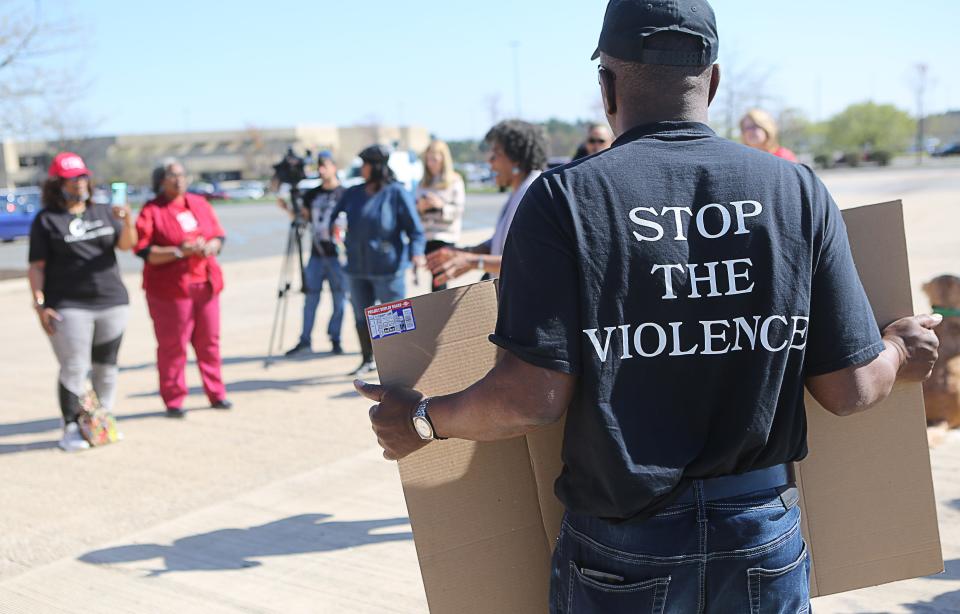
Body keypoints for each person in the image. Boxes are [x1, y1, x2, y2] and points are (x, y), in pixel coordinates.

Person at [355, 2, 941, 612]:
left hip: (624, 549)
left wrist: (422, 420)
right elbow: (849, 388)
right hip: (761, 541)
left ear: (606, 85)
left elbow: (529, 400)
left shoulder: (565, 201)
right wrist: (900, 348)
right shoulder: (795, 191)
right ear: (712, 81)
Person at [27, 152, 137, 451]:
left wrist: (127, 222)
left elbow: (127, 245)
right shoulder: (47, 219)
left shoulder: (103, 211)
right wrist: (39, 304)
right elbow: (36, 266)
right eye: (72, 179)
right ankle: (72, 427)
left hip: (112, 301)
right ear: (57, 183)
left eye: (83, 177)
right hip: (69, 304)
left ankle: (101, 420)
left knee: (106, 366)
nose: (80, 183)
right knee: (74, 367)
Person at [134, 159, 231, 418]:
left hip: (205, 283)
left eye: (181, 175)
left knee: (209, 342)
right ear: (160, 180)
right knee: (173, 347)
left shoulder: (199, 203)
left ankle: (216, 393)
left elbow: (219, 236)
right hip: (171, 290)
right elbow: (144, 251)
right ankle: (174, 398)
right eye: (171, 176)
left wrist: (212, 246)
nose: (178, 180)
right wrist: (179, 252)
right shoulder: (152, 210)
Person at [331, 144, 426, 376]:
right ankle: (367, 359)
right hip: (356, 266)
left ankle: (400, 365)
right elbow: (335, 219)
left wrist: (416, 252)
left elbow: (415, 230)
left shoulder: (396, 193)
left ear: (376, 167)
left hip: (388, 267)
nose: (361, 169)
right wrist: (335, 227)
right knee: (361, 316)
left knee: (392, 318)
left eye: (364, 164)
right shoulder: (353, 193)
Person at [427, 120, 546, 286]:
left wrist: (474, 261)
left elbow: (526, 260)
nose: (489, 160)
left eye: (496, 153)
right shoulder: (519, 191)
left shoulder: (535, 194)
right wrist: (464, 253)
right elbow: (500, 243)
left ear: (516, 157)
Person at [279, 152, 347, 356]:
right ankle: (305, 339)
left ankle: (335, 338)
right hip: (316, 255)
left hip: (338, 255)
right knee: (311, 298)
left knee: (339, 299)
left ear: (334, 166)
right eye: (319, 166)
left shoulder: (344, 193)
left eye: (325, 165)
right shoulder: (312, 194)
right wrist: (287, 207)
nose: (321, 170)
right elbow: (303, 219)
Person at [415, 140, 465, 291]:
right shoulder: (423, 183)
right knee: (435, 276)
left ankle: (440, 308)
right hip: (428, 237)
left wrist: (440, 206)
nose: (431, 164)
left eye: (434, 159)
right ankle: (439, 307)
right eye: (428, 159)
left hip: (446, 237)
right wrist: (421, 208)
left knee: (441, 276)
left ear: (444, 159)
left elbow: (458, 210)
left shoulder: (454, 181)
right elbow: (415, 212)